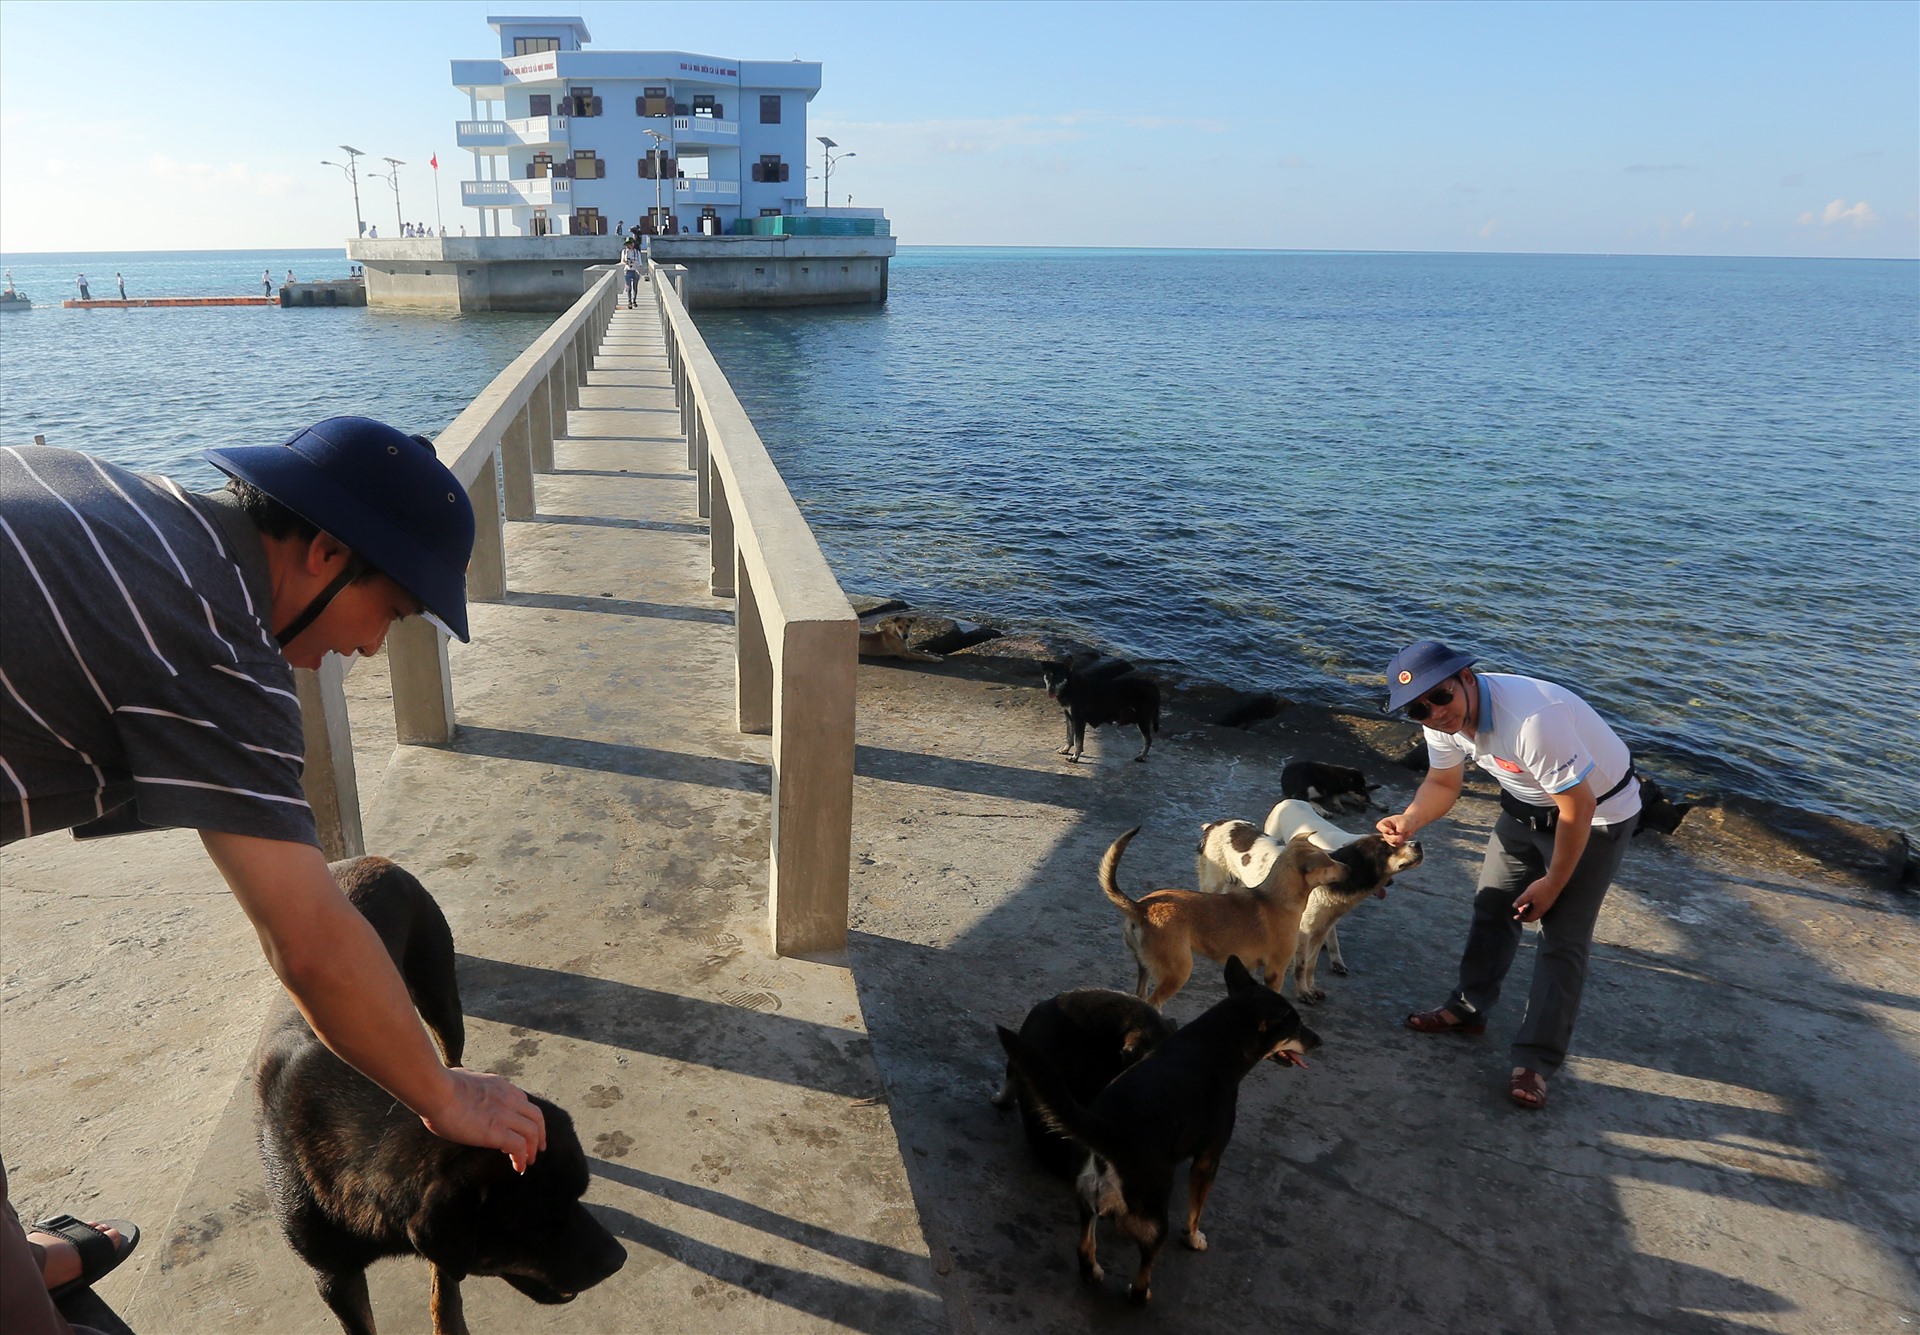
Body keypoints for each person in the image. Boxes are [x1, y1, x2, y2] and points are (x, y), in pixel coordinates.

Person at [0, 418, 546, 1333]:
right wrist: (445, 1095)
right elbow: (311, 936)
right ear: (327, 549)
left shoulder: (134, 503)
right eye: (393, 612)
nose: (373, 649)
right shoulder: (219, 642)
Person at [1377, 639, 1641, 1112]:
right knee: (1493, 905)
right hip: (1524, 809)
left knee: (1562, 937)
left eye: (1440, 697)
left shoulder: (1531, 720)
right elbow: (1442, 782)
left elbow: (1576, 806)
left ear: (1466, 678)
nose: (1435, 712)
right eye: (1418, 708)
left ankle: (1537, 1060)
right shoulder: (1440, 720)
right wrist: (1410, 819)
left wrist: (1554, 881)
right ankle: (1468, 1009)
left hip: (1597, 817)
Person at [620, 241, 641, 308]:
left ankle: (634, 300)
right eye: (627, 244)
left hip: (635, 270)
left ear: (633, 244)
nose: (628, 246)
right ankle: (629, 302)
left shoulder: (637, 252)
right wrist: (626, 262)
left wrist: (640, 270)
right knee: (629, 287)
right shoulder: (624, 252)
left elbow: (640, 263)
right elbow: (622, 261)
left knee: (635, 287)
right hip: (627, 270)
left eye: (629, 244)